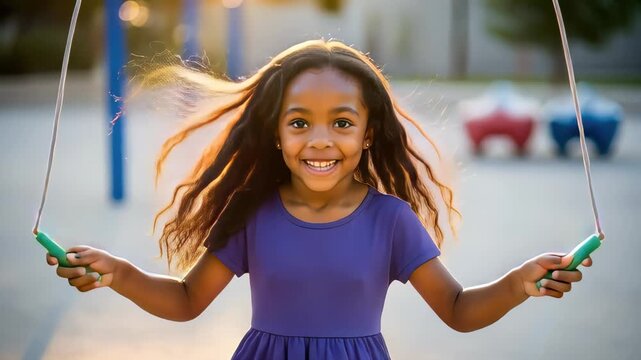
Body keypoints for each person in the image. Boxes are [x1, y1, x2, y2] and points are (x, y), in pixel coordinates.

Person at [46, 39, 591, 359]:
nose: (321, 140)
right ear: (276, 133)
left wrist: (521, 283)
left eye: (343, 122)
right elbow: (187, 301)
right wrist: (117, 273)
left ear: (369, 133)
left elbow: (457, 310)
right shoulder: (252, 214)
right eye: (300, 122)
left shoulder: (391, 221)